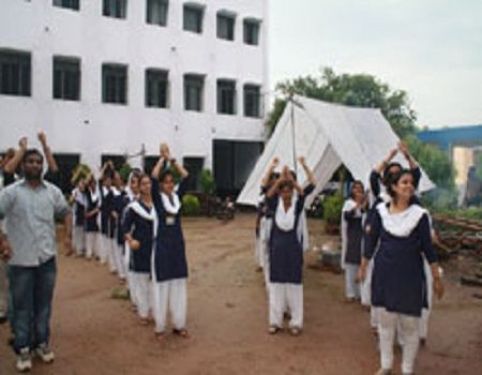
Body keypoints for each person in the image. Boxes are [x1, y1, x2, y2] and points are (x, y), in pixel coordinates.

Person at [359, 169, 444, 375]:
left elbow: (428, 248)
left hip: (410, 277)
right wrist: (363, 267)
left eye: (411, 183)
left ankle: (407, 369)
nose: (409, 185)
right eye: (404, 182)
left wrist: (436, 277)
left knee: (409, 325)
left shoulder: (419, 215)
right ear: (394, 187)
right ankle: (386, 365)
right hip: (385, 274)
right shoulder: (381, 212)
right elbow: (370, 243)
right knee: (386, 323)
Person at [0, 146, 72, 372]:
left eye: (38, 162)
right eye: (30, 161)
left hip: (46, 260)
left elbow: (66, 211)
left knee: (43, 307)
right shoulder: (11, 192)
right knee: (21, 307)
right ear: (22, 165)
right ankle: (23, 349)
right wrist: (2, 241)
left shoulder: (51, 191)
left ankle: (41, 343)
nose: (34, 165)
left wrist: (68, 237)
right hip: (20, 260)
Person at [265, 157, 315, 335]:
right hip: (277, 249)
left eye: (289, 192)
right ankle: (275, 321)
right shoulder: (274, 204)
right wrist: (279, 179)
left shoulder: (297, 206)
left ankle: (296, 322)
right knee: (276, 285)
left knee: (294, 285)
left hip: (293, 250)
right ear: (280, 193)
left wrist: (293, 181)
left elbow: (307, 190)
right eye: (283, 192)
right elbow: (268, 194)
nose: (286, 194)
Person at [150, 144, 190, 340]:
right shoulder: (158, 200)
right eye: (166, 182)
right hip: (163, 248)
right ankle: (160, 327)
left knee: (179, 285)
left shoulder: (177, 198)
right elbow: (152, 177)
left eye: (171, 182)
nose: (169, 185)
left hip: (177, 247)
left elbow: (186, 177)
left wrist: (172, 160)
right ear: (161, 185)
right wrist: (161, 159)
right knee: (162, 287)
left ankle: (179, 324)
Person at [123, 174, 156, 324]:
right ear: (139, 187)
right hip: (140, 248)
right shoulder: (134, 208)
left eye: (149, 183)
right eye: (144, 184)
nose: (147, 186)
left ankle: (155, 311)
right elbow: (125, 228)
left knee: (155, 281)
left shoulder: (158, 205)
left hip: (155, 247)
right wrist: (131, 241)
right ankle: (144, 313)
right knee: (142, 281)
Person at [341, 180, 367, 302]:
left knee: (361, 263)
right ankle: (351, 292)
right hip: (353, 235)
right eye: (355, 189)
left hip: (363, 235)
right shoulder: (348, 203)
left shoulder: (366, 205)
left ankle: (361, 293)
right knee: (351, 264)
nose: (358, 191)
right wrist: (358, 205)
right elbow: (348, 216)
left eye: (360, 189)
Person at [84, 175, 101, 260]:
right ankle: (89, 253)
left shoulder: (99, 194)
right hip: (89, 216)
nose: (93, 185)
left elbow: (99, 207)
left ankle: (97, 253)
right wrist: (90, 176)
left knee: (97, 235)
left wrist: (92, 213)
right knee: (89, 235)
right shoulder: (88, 192)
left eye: (94, 184)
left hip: (96, 215)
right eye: (92, 184)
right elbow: (85, 184)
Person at [71, 179, 87, 257]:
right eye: (81, 184)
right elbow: (72, 201)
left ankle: (82, 249)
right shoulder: (75, 192)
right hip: (77, 215)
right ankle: (77, 250)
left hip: (83, 215)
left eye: (84, 184)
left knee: (83, 232)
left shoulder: (85, 193)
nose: (83, 185)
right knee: (76, 233)